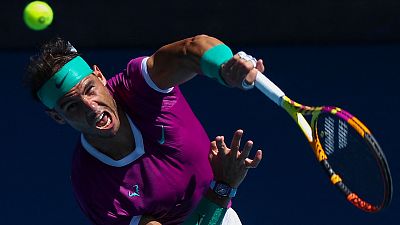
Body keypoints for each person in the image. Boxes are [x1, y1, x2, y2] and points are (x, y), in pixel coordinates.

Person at [24, 34, 264, 225]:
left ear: (100, 75)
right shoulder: (93, 185)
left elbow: (190, 49)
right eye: (71, 106)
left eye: (89, 89)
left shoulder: (139, 87)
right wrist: (223, 187)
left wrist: (225, 67)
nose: (90, 107)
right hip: (215, 206)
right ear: (58, 117)